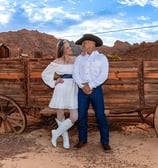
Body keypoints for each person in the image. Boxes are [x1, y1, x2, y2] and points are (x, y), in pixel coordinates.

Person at [72, 34, 111, 152]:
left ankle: (105, 142)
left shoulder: (101, 58)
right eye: (84, 43)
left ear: (94, 44)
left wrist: (91, 85)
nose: (85, 44)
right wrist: (82, 85)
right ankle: (82, 140)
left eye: (88, 42)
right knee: (82, 116)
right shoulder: (79, 58)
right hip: (82, 90)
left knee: (100, 116)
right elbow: (75, 73)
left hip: (96, 90)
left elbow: (104, 75)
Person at [41, 39, 78, 149]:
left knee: (74, 116)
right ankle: (65, 139)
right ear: (62, 50)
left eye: (70, 46)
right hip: (61, 89)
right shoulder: (56, 62)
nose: (70, 48)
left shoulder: (75, 59)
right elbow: (45, 74)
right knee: (60, 115)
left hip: (72, 89)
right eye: (67, 47)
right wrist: (54, 81)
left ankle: (56, 133)